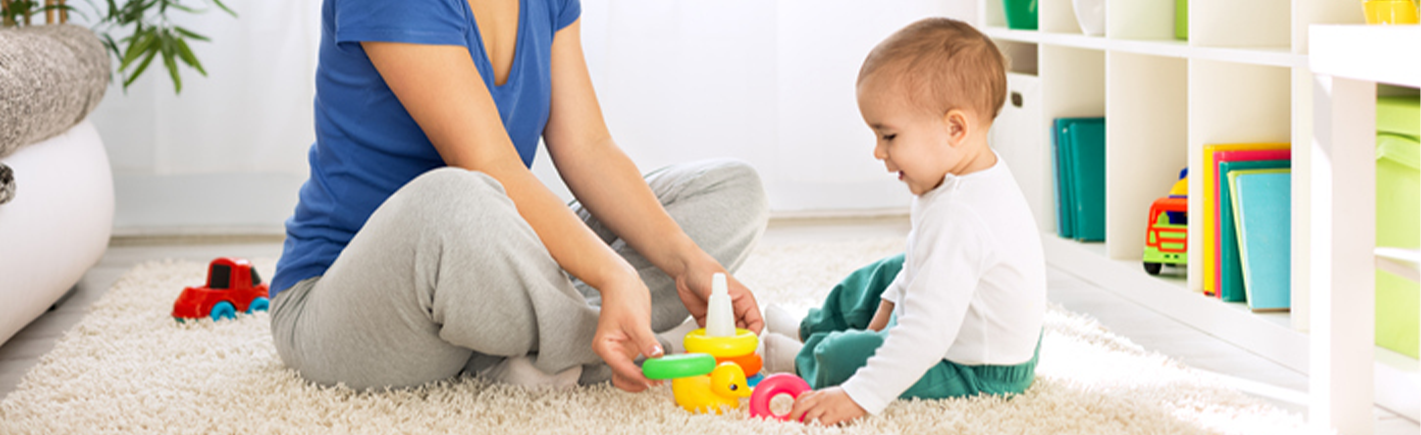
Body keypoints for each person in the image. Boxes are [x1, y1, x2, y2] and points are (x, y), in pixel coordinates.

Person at [268, 0, 769, 394]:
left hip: (488, 259)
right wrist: (614, 274)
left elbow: (588, 147)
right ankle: (640, 345)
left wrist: (687, 263)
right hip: (356, 300)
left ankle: (543, 338)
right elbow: (488, 163)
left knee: (733, 189)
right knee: (454, 198)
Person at [759, 17, 1047, 425]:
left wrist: (856, 397)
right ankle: (811, 327)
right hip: (968, 325)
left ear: (954, 128)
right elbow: (917, 261)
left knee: (847, 359)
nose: (878, 151)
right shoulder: (963, 175)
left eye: (889, 136)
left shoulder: (960, 214)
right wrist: (886, 310)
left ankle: (804, 356)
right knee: (884, 273)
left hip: (976, 367)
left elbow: (925, 337)